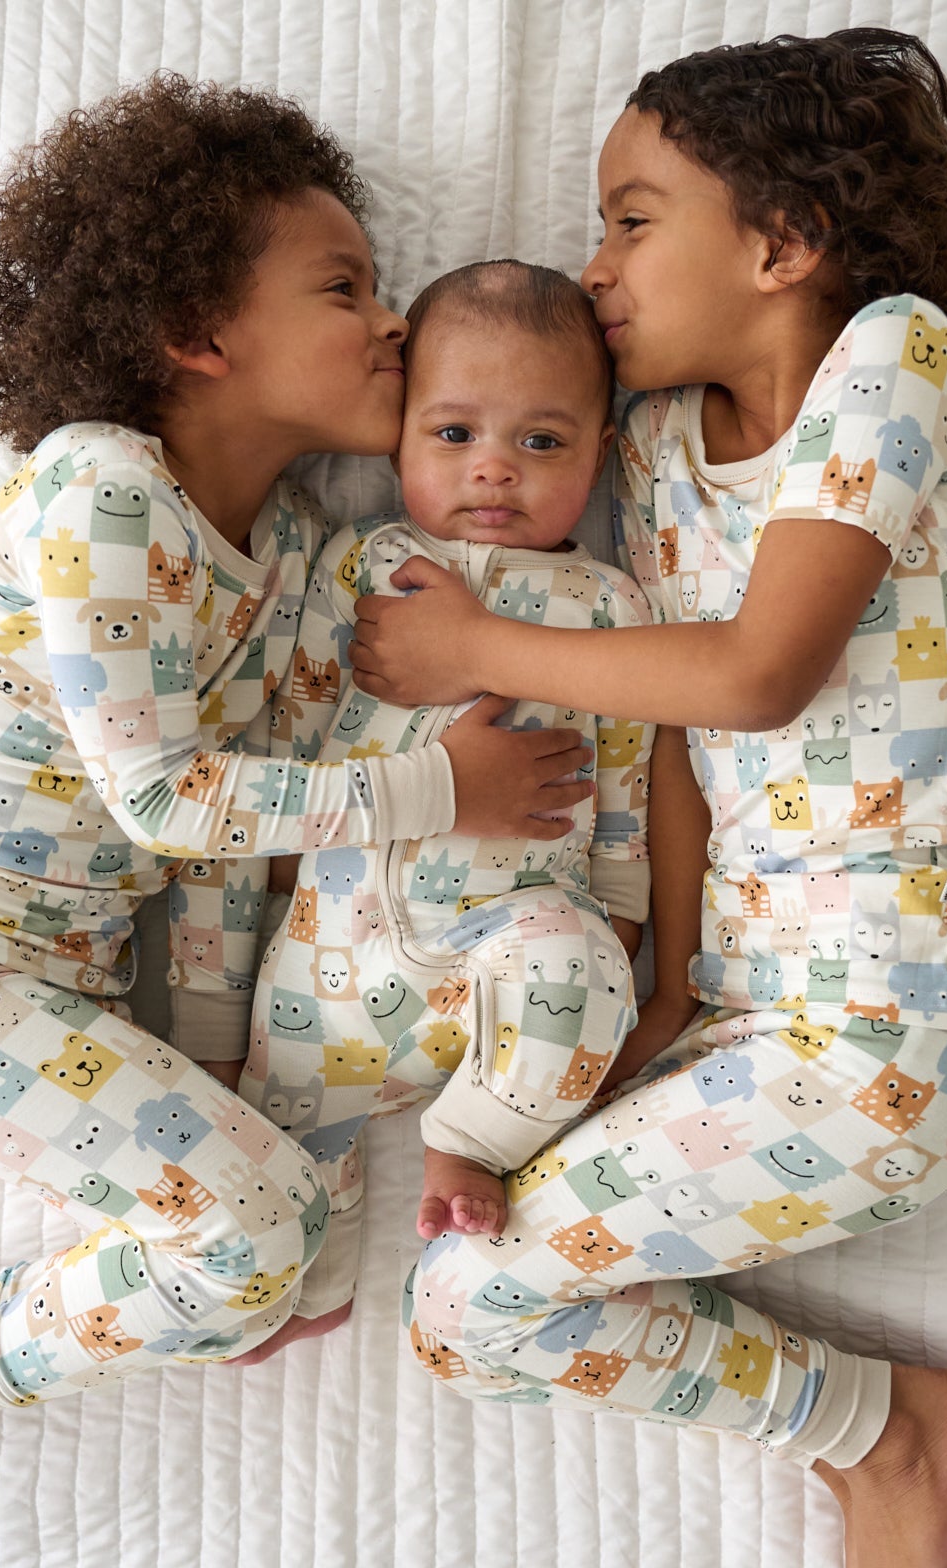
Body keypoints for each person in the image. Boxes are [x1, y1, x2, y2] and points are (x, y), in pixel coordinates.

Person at [343, 30, 947, 1568]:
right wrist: (670, 983)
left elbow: (756, 675)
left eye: (632, 217)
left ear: (781, 241)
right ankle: (873, 1426)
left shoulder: (889, 358)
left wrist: (473, 647)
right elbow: (671, 742)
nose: (593, 263)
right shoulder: (646, 443)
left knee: (467, 1302)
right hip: (733, 1013)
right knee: (463, 1306)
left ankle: (887, 1438)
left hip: (876, 1042)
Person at [0, 75, 590, 1437]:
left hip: (79, 984)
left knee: (278, 1273)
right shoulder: (102, 487)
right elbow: (168, 799)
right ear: (198, 334)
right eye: (345, 289)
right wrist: (440, 794)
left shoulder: (301, 551)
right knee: (257, 1254)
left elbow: (241, 869)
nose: (394, 325)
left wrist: (236, 1078)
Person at [236, 263, 655, 1342]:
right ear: (399, 435)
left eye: (542, 442)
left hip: (502, 956)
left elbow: (623, 791)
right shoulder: (359, 566)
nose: (496, 473)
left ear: (600, 454)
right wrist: (258, 906)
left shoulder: (608, 606)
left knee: (580, 973)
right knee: (282, 1195)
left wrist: (613, 929)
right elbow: (282, 742)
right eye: (455, 433)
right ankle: (301, 1293)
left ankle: (470, 1136)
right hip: (328, 962)